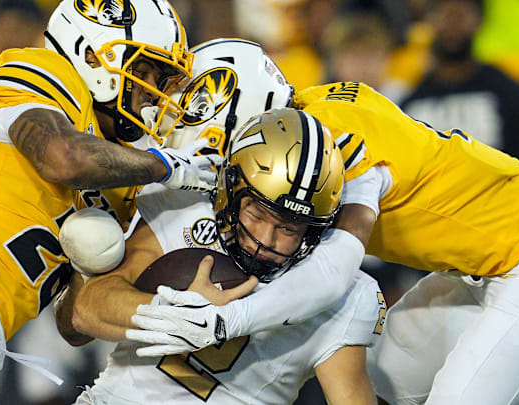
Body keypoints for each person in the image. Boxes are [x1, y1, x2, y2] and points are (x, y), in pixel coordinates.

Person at [0, 0, 221, 403]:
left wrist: (91, 264)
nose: (152, 93)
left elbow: (73, 324)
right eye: (143, 71)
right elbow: (62, 158)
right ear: (91, 53)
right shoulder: (43, 72)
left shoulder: (120, 172)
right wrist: (165, 166)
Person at [129, 79, 519, 404]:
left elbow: (336, 269)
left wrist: (225, 321)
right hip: (476, 263)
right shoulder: (305, 122)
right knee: (384, 387)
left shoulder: (336, 150)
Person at [59, 104, 381, 405]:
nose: (263, 240)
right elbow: (86, 309)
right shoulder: (186, 210)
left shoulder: (341, 296)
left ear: (314, 231)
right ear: (231, 190)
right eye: (256, 213)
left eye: (288, 229)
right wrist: (176, 313)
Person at [399, 0, 519, 176]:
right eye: (444, 15)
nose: (452, 24)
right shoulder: (410, 103)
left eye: (461, 15)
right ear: (429, 22)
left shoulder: (511, 94)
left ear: (480, 21)